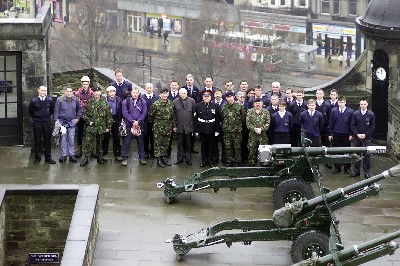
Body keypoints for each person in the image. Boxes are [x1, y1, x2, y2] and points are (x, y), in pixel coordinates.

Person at [80, 87, 113, 167]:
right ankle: (86, 158)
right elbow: (84, 114)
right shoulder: (89, 102)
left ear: (100, 92)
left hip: (101, 126)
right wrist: (89, 121)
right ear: (93, 93)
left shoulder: (105, 102)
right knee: (88, 143)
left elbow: (108, 115)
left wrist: (108, 126)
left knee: (100, 143)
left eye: (98, 91)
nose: (96, 93)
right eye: (95, 92)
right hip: (92, 126)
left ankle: (99, 156)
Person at [28, 86, 56, 165]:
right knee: (37, 140)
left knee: (47, 140)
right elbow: (30, 111)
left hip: (46, 122)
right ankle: (37, 158)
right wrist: (37, 116)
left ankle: (48, 157)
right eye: (42, 90)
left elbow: (51, 111)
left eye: (45, 91)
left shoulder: (50, 100)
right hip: (37, 122)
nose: (43, 92)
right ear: (38, 91)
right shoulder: (34, 101)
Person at [54, 87, 82, 163]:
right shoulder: (60, 100)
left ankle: (71, 155)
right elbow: (56, 111)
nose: (69, 93)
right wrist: (57, 122)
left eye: (70, 91)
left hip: (72, 122)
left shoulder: (75, 100)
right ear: (65, 92)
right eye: (67, 91)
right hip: (62, 122)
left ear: (72, 92)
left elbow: (80, 108)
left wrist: (78, 118)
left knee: (71, 139)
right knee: (63, 139)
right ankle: (63, 155)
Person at [149, 88, 175, 167]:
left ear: (168, 94)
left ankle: (163, 158)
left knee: (165, 144)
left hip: (168, 126)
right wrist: (157, 123)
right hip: (158, 127)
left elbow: (172, 115)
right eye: (163, 93)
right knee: (158, 144)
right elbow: (151, 116)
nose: (164, 95)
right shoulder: (155, 104)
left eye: (166, 93)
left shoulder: (170, 103)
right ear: (160, 94)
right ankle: (158, 160)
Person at [121, 87, 147, 166]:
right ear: (131, 93)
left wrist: (138, 121)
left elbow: (144, 112)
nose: (135, 94)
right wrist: (132, 121)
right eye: (134, 92)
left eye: (137, 93)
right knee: (127, 142)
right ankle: (124, 158)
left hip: (139, 124)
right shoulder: (126, 101)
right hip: (129, 125)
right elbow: (125, 113)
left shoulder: (142, 101)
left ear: (139, 94)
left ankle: (142, 158)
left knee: (140, 142)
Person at [195, 90, 221, 168]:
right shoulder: (198, 106)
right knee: (203, 145)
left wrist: (217, 130)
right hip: (202, 128)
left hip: (211, 128)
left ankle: (210, 160)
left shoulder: (215, 106)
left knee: (211, 145)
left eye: (208, 96)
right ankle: (204, 160)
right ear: (203, 97)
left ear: (210, 97)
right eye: (205, 96)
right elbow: (195, 118)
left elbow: (217, 119)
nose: (206, 98)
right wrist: (196, 130)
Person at [329, 96, 354, 175]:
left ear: (345, 102)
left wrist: (351, 134)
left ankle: (347, 167)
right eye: (339, 102)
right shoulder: (333, 111)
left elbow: (352, 124)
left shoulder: (350, 112)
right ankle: (337, 167)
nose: (341, 104)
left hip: (346, 134)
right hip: (336, 134)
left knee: (347, 151)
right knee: (336, 151)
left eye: (342, 102)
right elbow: (331, 123)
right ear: (337, 103)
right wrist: (330, 134)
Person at [350, 99, 375, 179]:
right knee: (357, 155)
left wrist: (365, 134)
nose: (363, 105)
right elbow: (352, 125)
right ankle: (356, 172)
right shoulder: (355, 114)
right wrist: (357, 134)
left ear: (367, 104)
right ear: (359, 105)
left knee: (367, 156)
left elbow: (372, 127)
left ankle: (367, 172)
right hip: (357, 138)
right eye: (361, 104)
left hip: (366, 139)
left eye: (364, 104)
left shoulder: (371, 114)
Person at [173, 88, 196, 166]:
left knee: (188, 144)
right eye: (182, 93)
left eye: (185, 93)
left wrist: (193, 126)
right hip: (179, 126)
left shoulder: (192, 101)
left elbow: (194, 114)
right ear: (179, 94)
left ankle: (188, 159)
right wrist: (174, 126)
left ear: (187, 93)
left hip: (188, 127)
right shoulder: (175, 102)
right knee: (179, 144)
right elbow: (173, 115)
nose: (183, 95)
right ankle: (179, 159)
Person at [221, 91, 245, 167]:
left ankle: (237, 161)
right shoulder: (224, 106)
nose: (229, 99)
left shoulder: (239, 106)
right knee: (228, 147)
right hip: (227, 131)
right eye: (228, 97)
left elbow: (243, 118)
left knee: (237, 146)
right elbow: (222, 118)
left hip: (237, 131)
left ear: (234, 97)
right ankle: (229, 160)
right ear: (226, 98)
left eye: (231, 97)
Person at [246, 98, 270, 166]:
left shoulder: (266, 112)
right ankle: (251, 163)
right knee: (252, 150)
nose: (258, 104)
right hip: (253, 135)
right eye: (256, 103)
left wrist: (261, 129)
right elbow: (248, 123)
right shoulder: (250, 111)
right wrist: (254, 129)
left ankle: (264, 163)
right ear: (254, 104)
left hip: (263, 135)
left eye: (259, 103)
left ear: (262, 104)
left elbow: (268, 123)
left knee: (264, 150)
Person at [102, 86, 123, 161]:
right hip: (106, 120)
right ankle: (104, 153)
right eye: (110, 92)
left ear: (115, 92)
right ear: (107, 93)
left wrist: (120, 121)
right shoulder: (104, 100)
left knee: (116, 138)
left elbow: (121, 110)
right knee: (105, 137)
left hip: (116, 119)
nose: (111, 93)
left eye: (113, 91)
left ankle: (117, 154)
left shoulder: (118, 100)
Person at [75, 75, 93, 158]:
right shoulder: (77, 93)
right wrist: (79, 115)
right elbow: (76, 105)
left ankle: (91, 148)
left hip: (89, 116)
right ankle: (79, 148)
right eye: (84, 84)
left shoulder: (92, 93)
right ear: (82, 84)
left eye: (87, 84)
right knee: (80, 132)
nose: (85, 85)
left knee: (90, 132)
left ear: (89, 84)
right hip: (80, 115)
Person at [182, 74, 200, 153]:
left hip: (193, 112)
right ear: (186, 81)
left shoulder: (196, 89)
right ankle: (184, 148)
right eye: (188, 80)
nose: (189, 81)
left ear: (193, 81)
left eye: (191, 80)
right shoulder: (183, 89)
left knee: (192, 130)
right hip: (184, 112)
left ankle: (192, 147)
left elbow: (198, 100)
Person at [143, 83, 159, 158]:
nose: (149, 89)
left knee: (154, 137)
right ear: (145, 88)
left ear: (153, 88)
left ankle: (153, 152)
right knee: (145, 137)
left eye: (150, 88)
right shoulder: (142, 97)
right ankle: (146, 152)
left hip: (154, 121)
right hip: (145, 121)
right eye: (147, 88)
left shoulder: (157, 97)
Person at [213, 88, 226, 164]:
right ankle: (215, 157)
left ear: (221, 95)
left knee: (224, 143)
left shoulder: (225, 103)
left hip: (224, 127)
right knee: (214, 143)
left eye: (219, 94)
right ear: (214, 95)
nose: (217, 95)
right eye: (216, 94)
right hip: (214, 127)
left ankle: (224, 158)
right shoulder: (211, 103)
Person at [236, 91, 249, 164]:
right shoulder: (234, 105)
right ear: (237, 97)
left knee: (244, 143)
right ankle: (238, 158)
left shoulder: (247, 105)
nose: (243, 98)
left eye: (244, 97)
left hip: (245, 127)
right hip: (236, 127)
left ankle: (244, 157)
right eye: (241, 97)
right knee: (237, 143)